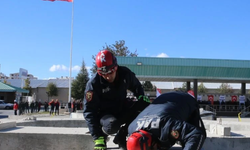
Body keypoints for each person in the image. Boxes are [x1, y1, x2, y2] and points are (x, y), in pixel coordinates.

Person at [83, 50, 150, 150]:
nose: (107, 77)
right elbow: (89, 111)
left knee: (144, 104)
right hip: (105, 115)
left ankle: (121, 135)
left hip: (121, 107)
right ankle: (103, 134)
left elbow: (137, 87)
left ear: (115, 67)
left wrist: (141, 96)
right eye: (103, 74)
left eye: (110, 72)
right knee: (112, 125)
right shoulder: (93, 84)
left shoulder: (125, 74)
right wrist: (97, 138)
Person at [127, 91, 207, 150]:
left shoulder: (167, 126)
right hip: (163, 99)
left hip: (185, 99)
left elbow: (195, 134)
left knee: (195, 140)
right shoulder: (131, 128)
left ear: (152, 144)